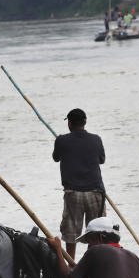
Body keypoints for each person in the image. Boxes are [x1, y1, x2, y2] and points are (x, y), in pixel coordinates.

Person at [51, 108, 106, 260]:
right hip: (96, 192)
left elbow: (56, 157)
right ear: (85, 122)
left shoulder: (61, 140)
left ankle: (71, 265)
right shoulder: (96, 139)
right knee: (97, 231)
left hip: (73, 194)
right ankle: (93, 262)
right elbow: (102, 160)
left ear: (69, 123)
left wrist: (62, 143)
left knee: (71, 233)